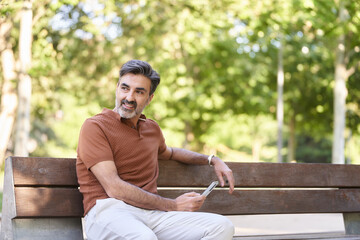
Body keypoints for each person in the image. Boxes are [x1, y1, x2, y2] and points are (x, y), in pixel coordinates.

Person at [76, 59, 235, 240]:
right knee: (145, 238)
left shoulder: (151, 129)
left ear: (150, 98)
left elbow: (171, 153)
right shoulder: (95, 126)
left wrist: (212, 159)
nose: (129, 97)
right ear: (117, 88)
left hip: (152, 215)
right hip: (108, 212)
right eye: (125, 88)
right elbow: (114, 188)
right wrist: (173, 205)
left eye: (139, 92)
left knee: (222, 227)